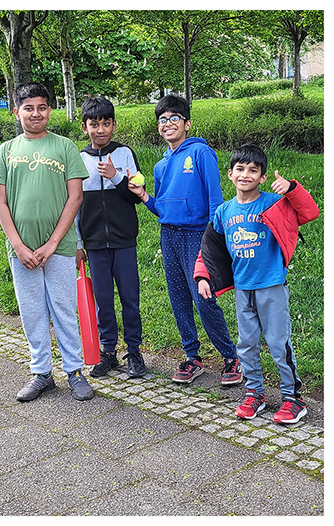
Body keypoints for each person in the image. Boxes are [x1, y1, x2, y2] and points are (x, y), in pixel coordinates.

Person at [194, 143, 319, 423]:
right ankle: (255, 393)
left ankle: (292, 398)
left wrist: (292, 190)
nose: (246, 175)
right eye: (240, 169)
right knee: (246, 344)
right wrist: (203, 274)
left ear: (263, 177)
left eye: (253, 170)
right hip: (243, 289)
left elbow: (310, 213)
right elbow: (211, 247)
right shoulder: (225, 211)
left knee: (278, 343)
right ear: (230, 174)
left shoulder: (273, 203)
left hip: (271, 286)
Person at [0, 82, 94, 402]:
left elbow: (75, 198)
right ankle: (42, 373)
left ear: (50, 109)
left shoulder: (64, 147)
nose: (36, 113)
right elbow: (0, 204)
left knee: (64, 307)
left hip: (59, 247)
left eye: (42, 107)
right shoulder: (5, 151)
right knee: (32, 310)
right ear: (17, 111)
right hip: (21, 249)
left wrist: (52, 243)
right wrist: (19, 246)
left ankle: (74, 371)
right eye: (29, 107)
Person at [128, 94, 241, 386]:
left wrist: (215, 239)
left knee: (203, 297)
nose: (167, 124)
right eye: (162, 120)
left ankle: (232, 358)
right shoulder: (161, 165)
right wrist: (145, 197)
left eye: (174, 118)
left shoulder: (202, 154)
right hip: (169, 236)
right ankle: (192, 358)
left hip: (198, 236)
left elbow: (215, 200)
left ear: (187, 123)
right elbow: (162, 207)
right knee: (178, 299)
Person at [76, 96, 146, 378]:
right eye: (94, 124)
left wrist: (116, 176)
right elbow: (75, 204)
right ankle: (108, 352)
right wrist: (79, 244)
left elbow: (136, 196)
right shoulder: (79, 159)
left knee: (130, 297)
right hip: (94, 243)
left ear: (114, 125)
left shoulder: (125, 154)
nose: (100, 129)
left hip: (124, 239)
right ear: (85, 127)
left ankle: (134, 351)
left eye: (106, 123)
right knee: (103, 299)